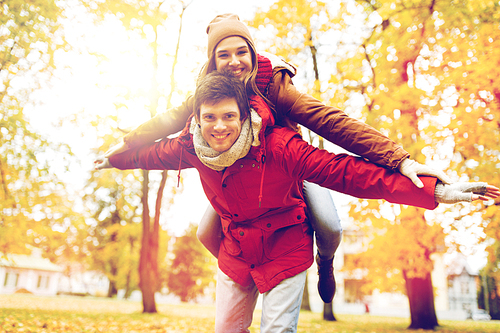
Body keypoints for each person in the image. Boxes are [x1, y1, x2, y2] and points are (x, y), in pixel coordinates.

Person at [95, 70, 499, 333]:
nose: (220, 127)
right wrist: (114, 158)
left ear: (244, 112)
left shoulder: (279, 127)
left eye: (229, 117)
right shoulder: (190, 146)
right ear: (196, 119)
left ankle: (326, 263)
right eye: (210, 118)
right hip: (237, 245)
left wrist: (433, 189)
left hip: (287, 237)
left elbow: (350, 171)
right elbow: (147, 155)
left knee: (328, 227)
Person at [100, 13, 452, 303]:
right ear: (212, 61)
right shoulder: (206, 93)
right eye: (223, 55)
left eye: (242, 52)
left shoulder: (274, 86)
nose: (234, 62)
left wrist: (399, 160)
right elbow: (170, 120)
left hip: (288, 168)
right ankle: (249, 273)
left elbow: (331, 121)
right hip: (236, 182)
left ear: (253, 53)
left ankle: (325, 261)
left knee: (329, 224)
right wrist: (125, 145)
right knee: (206, 233)